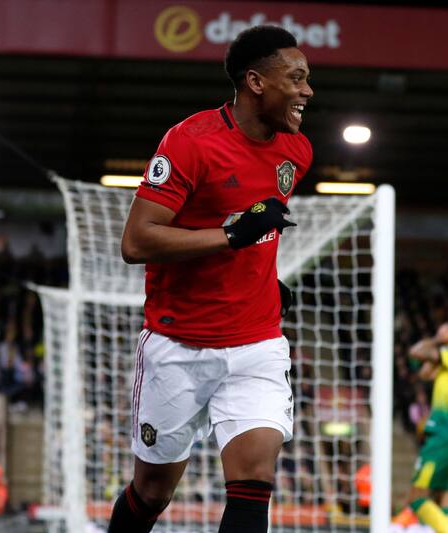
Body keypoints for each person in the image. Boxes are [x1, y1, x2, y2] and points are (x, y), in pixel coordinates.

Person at [110, 25, 313, 533]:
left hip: (257, 344)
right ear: (256, 82)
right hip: (178, 345)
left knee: (254, 481)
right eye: (296, 78)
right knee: (152, 493)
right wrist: (230, 237)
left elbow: (259, 231)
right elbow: (136, 242)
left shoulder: (297, 151)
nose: (307, 91)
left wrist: (259, 279)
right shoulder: (190, 142)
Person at [395, 323, 448, 533]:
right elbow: (424, 373)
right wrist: (439, 347)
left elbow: (415, 351)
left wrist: (438, 340)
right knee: (444, 499)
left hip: (442, 436)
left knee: (416, 498)